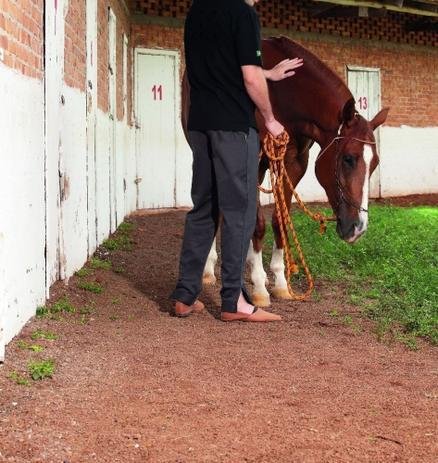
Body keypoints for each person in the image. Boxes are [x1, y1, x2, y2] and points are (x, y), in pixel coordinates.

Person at [171, 0, 303, 322]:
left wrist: (267, 72)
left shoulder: (197, 12)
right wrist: (270, 119)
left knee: (204, 208)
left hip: (201, 125)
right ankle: (234, 301)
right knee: (239, 209)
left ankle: (185, 296)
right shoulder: (243, 13)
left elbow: (221, 67)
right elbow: (247, 78)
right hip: (233, 127)